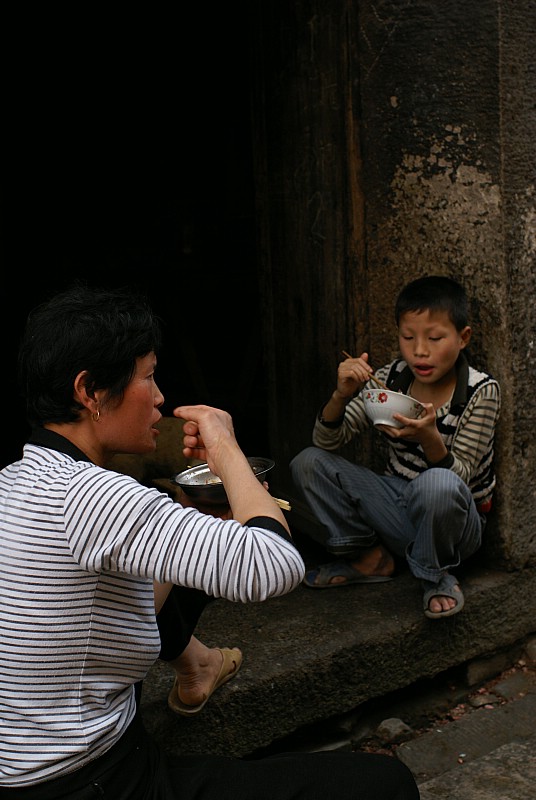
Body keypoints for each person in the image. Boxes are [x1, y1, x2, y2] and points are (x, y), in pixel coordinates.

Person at [0, 283, 420, 799]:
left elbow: (117, 596)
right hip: (93, 782)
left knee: (185, 540)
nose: (159, 397)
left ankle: (197, 663)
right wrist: (224, 448)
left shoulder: (18, 479)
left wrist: (203, 519)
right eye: (149, 377)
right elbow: (274, 565)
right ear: (89, 392)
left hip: (41, 769)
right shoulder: (89, 495)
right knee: (386, 784)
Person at [290, 275, 500, 620]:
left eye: (434, 338)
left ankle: (435, 574)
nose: (420, 350)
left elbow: (461, 476)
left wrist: (429, 438)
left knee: (438, 484)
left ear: (463, 338)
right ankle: (371, 558)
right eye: (408, 337)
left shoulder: (481, 391)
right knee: (308, 462)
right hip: (398, 507)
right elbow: (327, 441)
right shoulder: (391, 379)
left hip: (456, 526)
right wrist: (341, 395)